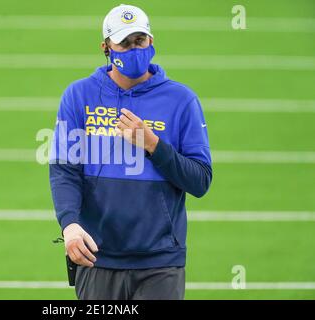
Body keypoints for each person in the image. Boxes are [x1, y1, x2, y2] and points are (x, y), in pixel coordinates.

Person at [49, 4, 212, 300]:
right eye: (124, 43)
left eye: (140, 41)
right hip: (96, 256)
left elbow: (200, 181)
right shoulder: (78, 96)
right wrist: (69, 224)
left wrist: (153, 145)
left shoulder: (181, 100)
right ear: (106, 48)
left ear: (152, 42)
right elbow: (64, 170)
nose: (133, 49)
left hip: (160, 262)